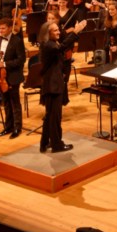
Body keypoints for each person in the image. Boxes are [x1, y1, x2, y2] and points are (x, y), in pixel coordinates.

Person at [38, 21, 76, 152]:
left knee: (50, 116)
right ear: (47, 33)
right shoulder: (48, 45)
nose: (58, 32)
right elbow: (62, 48)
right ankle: (56, 145)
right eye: (55, 30)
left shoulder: (52, 43)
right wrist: (75, 32)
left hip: (53, 84)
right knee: (55, 117)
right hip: (52, 86)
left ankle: (44, 143)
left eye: (58, 29)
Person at [0, 18, 25, 138]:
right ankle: (8, 127)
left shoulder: (17, 41)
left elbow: (21, 60)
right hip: (0, 77)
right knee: (5, 102)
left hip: (13, 76)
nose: (0, 31)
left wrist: (5, 64)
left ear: (10, 28)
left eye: (3, 28)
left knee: (15, 103)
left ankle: (17, 128)